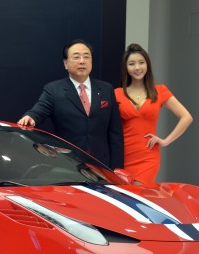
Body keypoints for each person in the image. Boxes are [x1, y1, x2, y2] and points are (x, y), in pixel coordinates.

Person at [18, 39, 124, 169]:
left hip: (101, 165)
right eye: (76, 57)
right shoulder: (54, 90)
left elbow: (115, 134)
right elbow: (39, 110)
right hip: (69, 165)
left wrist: (117, 169)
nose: (82, 61)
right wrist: (31, 117)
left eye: (86, 56)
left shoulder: (106, 89)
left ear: (91, 61)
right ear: (65, 63)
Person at [114, 43, 193, 184]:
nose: (137, 67)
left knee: (138, 196)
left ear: (147, 65)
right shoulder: (116, 94)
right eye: (132, 64)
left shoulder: (160, 91)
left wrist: (165, 141)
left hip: (148, 157)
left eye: (141, 63)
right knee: (124, 200)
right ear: (126, 68)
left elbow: (186, 117)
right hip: (122, 156)